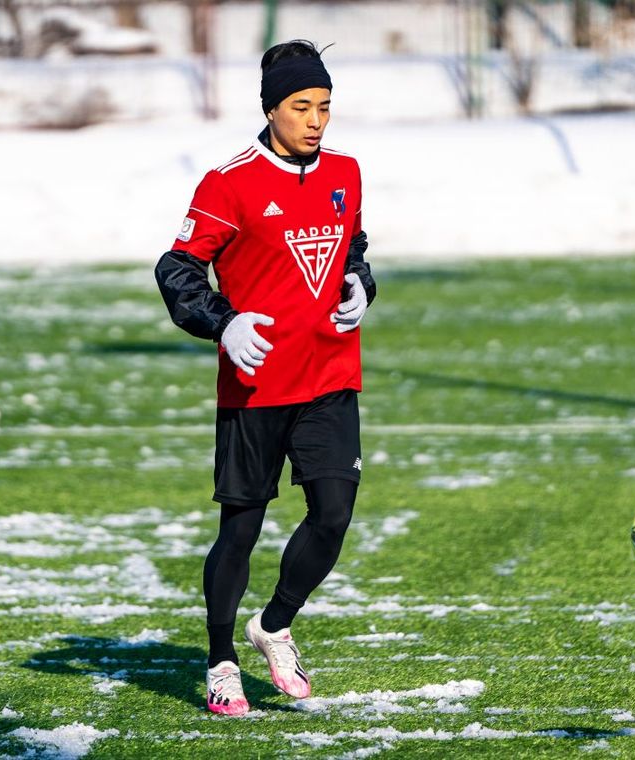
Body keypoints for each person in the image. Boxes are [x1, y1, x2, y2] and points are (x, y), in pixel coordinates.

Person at [154, 39, 376, 716]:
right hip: (256, 387)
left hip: (331, 377)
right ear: (271, 108)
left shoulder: (345, 172)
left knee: (333, 515)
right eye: (301, 106)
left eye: (324, 106)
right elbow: (177, 268)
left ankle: (274, 624)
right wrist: (222, 323)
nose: (316, 120)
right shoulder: (230, 183)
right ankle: (221, 659)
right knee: (241, 530)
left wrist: (360, 282)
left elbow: (351, 245)